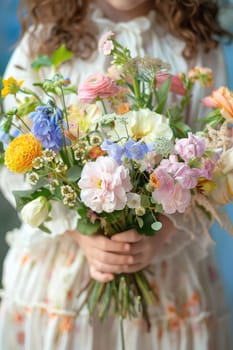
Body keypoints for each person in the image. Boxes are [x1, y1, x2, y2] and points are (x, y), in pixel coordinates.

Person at [0, 0, 232, 349]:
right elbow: (14, 156)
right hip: (65, 266)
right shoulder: (45, 39)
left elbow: (215, 160)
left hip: (167, 264)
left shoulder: (193, 43)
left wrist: (159, 234)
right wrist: (83, 234)